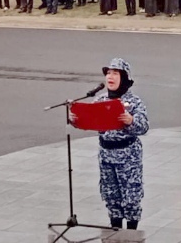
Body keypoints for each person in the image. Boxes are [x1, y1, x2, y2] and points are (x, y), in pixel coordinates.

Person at [72, 58, 149, 231]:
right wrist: (76, 120)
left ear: (124, 78)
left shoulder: (134, 101)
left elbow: (144, 126)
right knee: (111, 196)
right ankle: (114, 233)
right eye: (108, 73)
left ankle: (131, 235)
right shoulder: (100, 100)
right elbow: (89, 121)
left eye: (115, 73)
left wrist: (131, 120)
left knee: (131, 198)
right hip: (106, 155)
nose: (110, 77)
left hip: (128, 155)